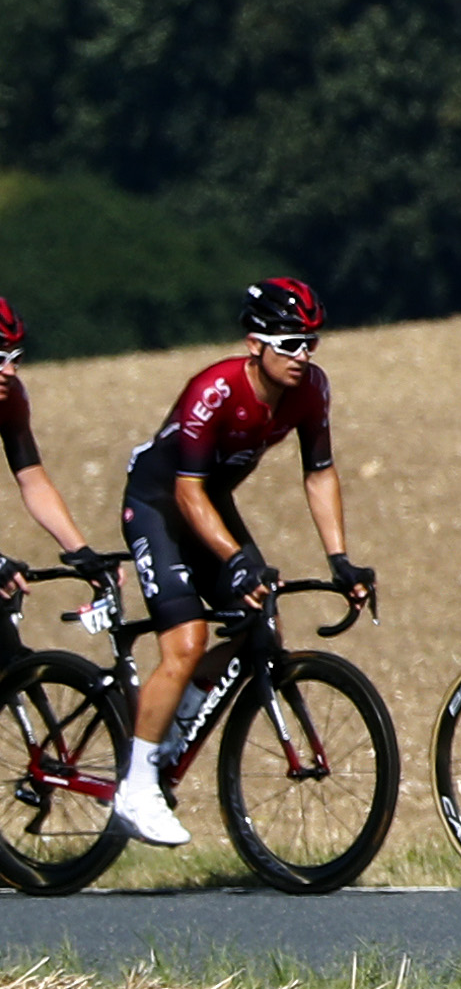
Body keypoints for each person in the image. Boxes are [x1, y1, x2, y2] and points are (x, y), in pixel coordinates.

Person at [110, 278, 363, 851]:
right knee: (186, 639)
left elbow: (319, 471)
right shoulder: (214, 390)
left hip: (208, 505)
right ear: (256, 343)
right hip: (159, 504)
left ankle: (173, 721)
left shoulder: (310, 390)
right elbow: (188, 494)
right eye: (290, 344)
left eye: (310, 343)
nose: (303, 356)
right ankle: (138, 785)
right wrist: (235, 559)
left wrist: (340, 559)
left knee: (261, 624)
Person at [0, 292, 83, 575]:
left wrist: (80, 551)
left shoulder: (10, 399)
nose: (10, 371)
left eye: (15, 357)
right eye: (0, 357)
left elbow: (33, 480)